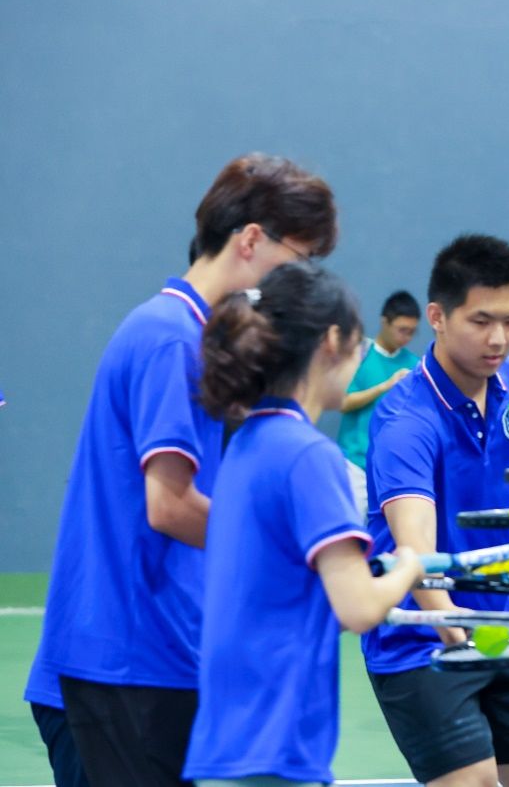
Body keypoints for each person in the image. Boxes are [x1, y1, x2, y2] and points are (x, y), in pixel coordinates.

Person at [26, 154, 337, 787]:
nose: (299, 281)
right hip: (122, 662)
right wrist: (296, 552)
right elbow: (168, 505)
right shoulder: (171, 338)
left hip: (151, 658)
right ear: (251, 240)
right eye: (300, 259)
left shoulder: (196, 337)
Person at [183, 262, 421, 785]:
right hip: (275, 746)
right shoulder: (310, 456)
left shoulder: (244, 444)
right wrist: (409, 565)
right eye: (357, 346)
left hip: (225, 745)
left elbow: (294, 596)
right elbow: (359, 608)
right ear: (333, 341)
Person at [361, 234, 509, 787]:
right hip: (422, 638)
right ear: (437, 316)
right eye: (481, 321)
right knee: (473, 782)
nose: (498, 338)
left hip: (506, 623)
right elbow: (417, 551)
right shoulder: (406, 421)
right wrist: (454, 627)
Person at [336, 290, 422, 518]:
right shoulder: (360, 356)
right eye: (402, 330)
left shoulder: (413, 365)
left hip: (392, 466)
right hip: (355, 463)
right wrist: (385, 386)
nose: (406, 337)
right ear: (385, 322)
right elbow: (342, 402)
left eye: (412, 332)